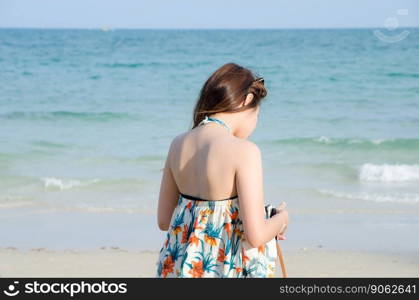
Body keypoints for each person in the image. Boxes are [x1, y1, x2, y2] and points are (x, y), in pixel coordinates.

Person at [156, 62, 289, 278]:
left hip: (179, 266)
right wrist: (282, 219)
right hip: (223, 270)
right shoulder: (244, 150)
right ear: (247, 101)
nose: (255, 122)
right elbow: (256, 235)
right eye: (257, 115)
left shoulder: (178, 143)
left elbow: (164, 221)